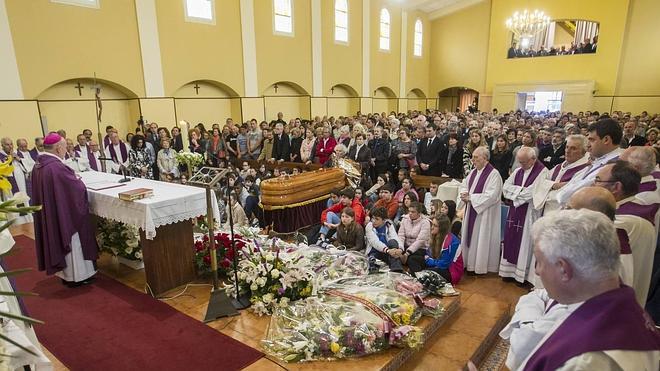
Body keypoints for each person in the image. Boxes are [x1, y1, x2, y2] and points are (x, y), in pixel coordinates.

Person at [516, 209, 660, 371]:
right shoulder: (624, 307)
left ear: (564, 269)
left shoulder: (584, 362)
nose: (537, 271)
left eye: (540, 261)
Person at [32, 133, 98, 287]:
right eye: (64, 147)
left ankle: (66, 275)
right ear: (58, 148)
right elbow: (76, 188)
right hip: (65, 215)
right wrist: (77, 180)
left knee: (60, 239)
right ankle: (78, 277)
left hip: (53, 213)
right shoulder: (56, 167)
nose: (66, 150)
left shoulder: (39, 165)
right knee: (73, 241)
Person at [595, 161, 656, 306]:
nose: (592, 185)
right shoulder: (640, 210)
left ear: (616, 187)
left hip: (609, 306)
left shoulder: (619, 223)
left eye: (597, 180)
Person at [568, 187, 633, 287]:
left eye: (569, 209)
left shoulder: (607, 249)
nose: (563, 213)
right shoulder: (588, 235)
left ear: (590, 215)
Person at [500, 147, 548, 285]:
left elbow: (532, 193)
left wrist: (515, 194)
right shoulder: (517, 171)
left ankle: (521, 276)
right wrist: (519, 193)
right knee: (510, 238)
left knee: (525, 242)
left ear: (533, 159)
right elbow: (505, 187)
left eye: (524, 162)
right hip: (515, 211)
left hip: (528, 213)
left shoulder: (542, 172)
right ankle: (508, 272)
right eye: (519, 162)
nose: (521, 165)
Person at [458, 146, 502, 274]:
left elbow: (492, 196)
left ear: (485, 158)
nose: (473, 160)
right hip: (470, 209)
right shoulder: (473, 172)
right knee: (469, 236)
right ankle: (467, 263)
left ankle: (479, 266)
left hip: (483, 214)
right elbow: (464, 185)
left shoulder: (494, 174)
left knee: (480, 238)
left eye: (476, 157)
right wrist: (464, 195)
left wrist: (471, 198)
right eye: (472, 157)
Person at [557, 118, 623, 205]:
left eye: (591, 140)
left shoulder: (613, 165)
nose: (587, 145)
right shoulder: (598, 160)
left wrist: (561, 193)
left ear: (606, 140)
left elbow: (566, 196)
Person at [424, 214, 463, 285]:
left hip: (451, 271)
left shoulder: (452, 242)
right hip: (437, 264)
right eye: (432, 224)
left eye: (435, 226)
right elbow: (428, 253)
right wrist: (428, 260)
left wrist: (429, 261)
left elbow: (444, 264)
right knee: (415, 258)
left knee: (425, 272)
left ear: (442, 228)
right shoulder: (435, 235)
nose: (432, 227)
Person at [365, 207, 404, 272]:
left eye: (377, 219)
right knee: (372, 261)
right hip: (375, 252)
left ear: (384, 220)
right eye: (373, 218)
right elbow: (375, 242)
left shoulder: (388, 225)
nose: (373, 221)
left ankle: (397, 269)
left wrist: (400, 249)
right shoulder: (369, 226)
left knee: (393, 242)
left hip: (388, 252)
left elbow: (395, 237)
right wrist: (388, 250)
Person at [396, 201, 430, 274]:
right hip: (405, 246)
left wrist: (407, 253)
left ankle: (417, 277)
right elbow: (401, 235)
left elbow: (420, 241)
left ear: (419, 213)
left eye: (413, 212)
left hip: (420, 248)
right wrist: (400, 249)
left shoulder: (425, 222)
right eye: (409, 211)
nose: (410, 213)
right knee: (395, 254)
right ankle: (397, 272)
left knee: (411, 258)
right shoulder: (405, 219)